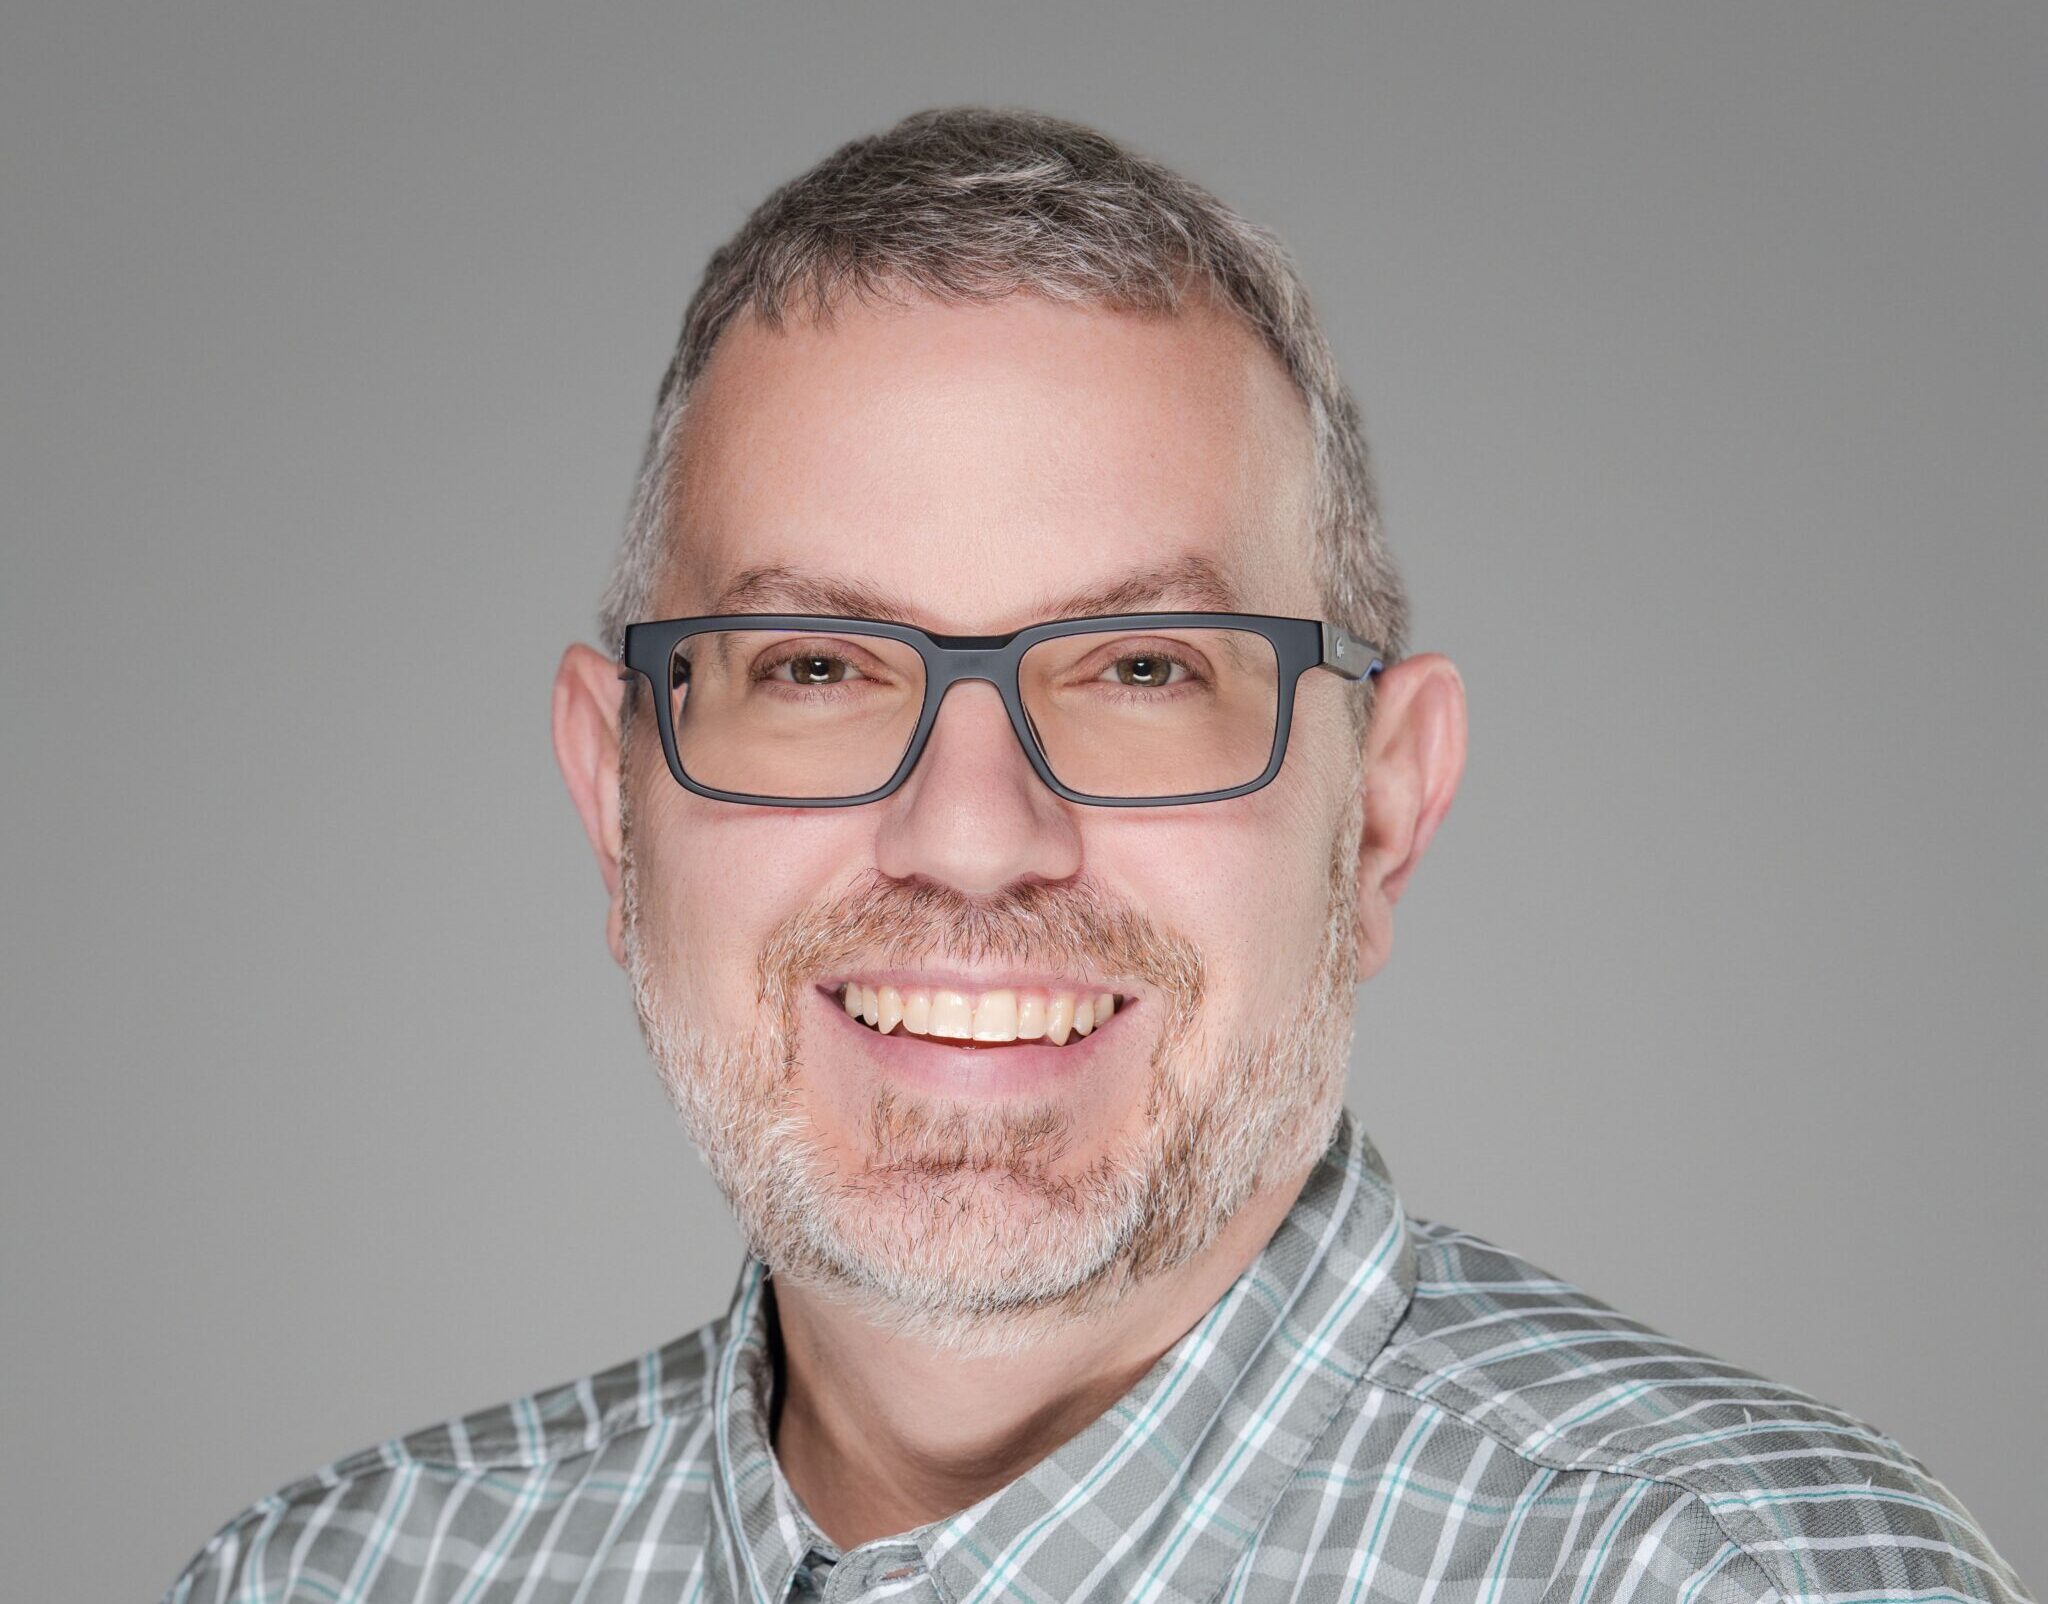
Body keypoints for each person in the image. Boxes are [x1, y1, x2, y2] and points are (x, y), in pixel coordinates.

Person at [163, 107, 2029, 1604]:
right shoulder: (333, 1576)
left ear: (1377, 811)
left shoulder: (1729, 1579)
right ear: (613, 801)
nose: (974, 838)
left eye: (1144, 670)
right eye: (814, 665)